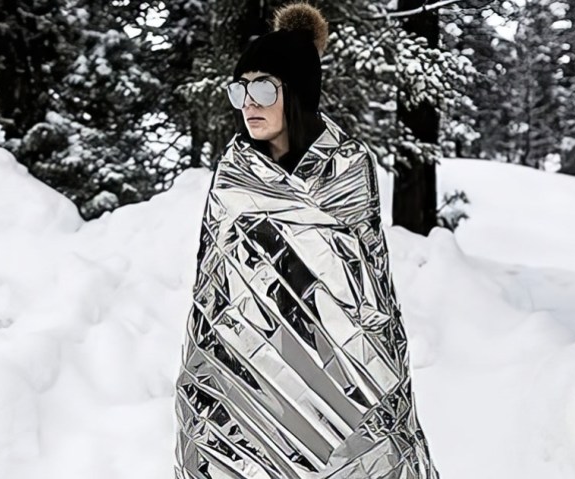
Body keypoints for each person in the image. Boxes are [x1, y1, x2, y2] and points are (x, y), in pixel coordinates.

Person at [173, 3, 440, 478]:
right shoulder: (234, 177)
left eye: (261, 88)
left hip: (340, 367)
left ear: (294, 91)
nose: (248, 103)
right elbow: (212, 290)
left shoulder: (349, 171)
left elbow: (367, 289)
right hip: (249, 370)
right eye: (241, 89)